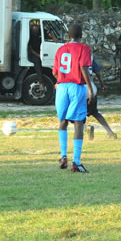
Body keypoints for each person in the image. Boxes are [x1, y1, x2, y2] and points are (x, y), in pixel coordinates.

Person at [53, 23, 94, 173]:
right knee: (78, 123)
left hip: (62, 87)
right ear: (81, 35)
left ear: (68, 35)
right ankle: (76, 162)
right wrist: (89, 88)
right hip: (76, 87)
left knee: (62, 121)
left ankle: (63, 156)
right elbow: (83, 67)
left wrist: (60, 81)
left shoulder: (60, 49)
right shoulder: (84, 48)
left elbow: (55, 72)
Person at [86, 57, 116, 139]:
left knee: (77, 114)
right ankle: (110, 132)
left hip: (79, 87)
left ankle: (86, 129)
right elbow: (98, 72)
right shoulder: (89, 56)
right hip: (91, 87)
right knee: (95, 112)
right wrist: (102, 84)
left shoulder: (72, 56)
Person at [27, 20, 46, 88]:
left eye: (37, 28)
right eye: (34, 28)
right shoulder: (29, 36)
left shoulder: (41, 34)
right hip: (33, 55)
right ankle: (41, 82)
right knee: (37, 62)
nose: (36, 30)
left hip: (40, 53)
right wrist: (38, 55)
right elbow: (31, 49)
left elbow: (49, 35)